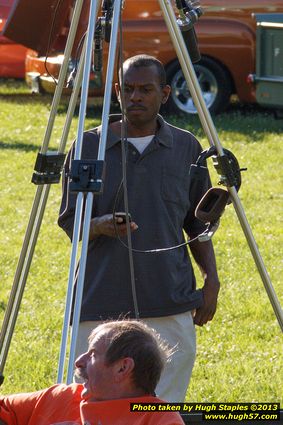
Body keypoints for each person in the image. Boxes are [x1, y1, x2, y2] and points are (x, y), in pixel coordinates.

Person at [58, 54, 220, 402]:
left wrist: (212, 280)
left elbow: (197, 224)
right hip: (100, 298)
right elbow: (70, 219)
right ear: (117, 91)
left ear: (164, 94)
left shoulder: (186, 146)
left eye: (145, 90)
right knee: (91, 401)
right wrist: (100, 225)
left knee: (164, 403)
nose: (135, 97)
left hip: (169, 297)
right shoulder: (88, 145)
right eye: (128, 89)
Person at [0, 320, 184, 425]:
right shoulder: (61, 397)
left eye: (93, 355)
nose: (79, 362)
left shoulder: (159, 418)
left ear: (122, 368)